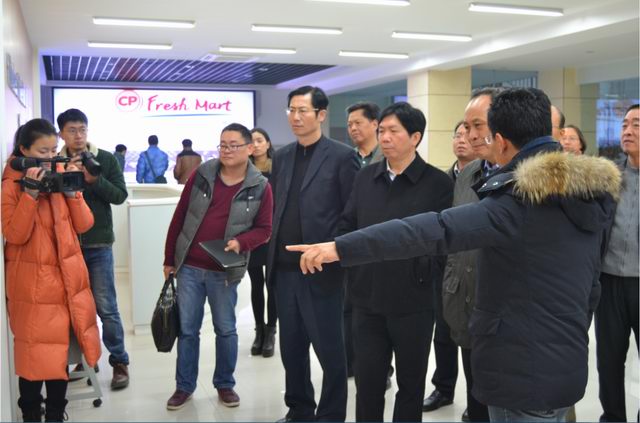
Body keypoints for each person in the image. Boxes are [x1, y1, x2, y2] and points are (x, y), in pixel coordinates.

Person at [288, 87, 621, 423]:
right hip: (565, 364)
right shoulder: (587, 193)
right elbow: (592, 286)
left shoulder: (517, 202)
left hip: (521, 373)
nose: (474, 137)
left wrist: (340, 247)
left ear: (501, 141)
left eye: (481, 129)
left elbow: (431, 230)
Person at [338, 101, 453, 422]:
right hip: (366, 300)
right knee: (368, 384)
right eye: (381, 131)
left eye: (393, 131)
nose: (385, 137)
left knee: (410, 385)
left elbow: (444, 241)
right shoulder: (365, 178)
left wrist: (422, 272)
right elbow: (347, 225)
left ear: (415, 137)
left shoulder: (437, 183)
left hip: (413, 302)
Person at [163, 123, 273, 410]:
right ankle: (184, 386)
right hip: (189, 266)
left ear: (249, 148)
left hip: (224, 270)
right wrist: (169, 259)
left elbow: (264, 230)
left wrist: (241, 242)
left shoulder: (260, 186)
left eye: (234, 145)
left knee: (225, 329)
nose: (226, 150)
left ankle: (225, 384)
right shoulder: (203, 173)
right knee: (188, 330)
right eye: (223, 144)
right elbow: (180, 216)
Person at [267, 85, 359, 422]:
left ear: (321, 114)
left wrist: (333, 250)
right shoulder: (282, 156)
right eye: (291, 110)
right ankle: (299, 409)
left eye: (302, 110)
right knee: (291, 349)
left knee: (330, 351)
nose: (295, 117)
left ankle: (331, 415)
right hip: (284, 270)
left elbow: (352, 213)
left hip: (321, 269)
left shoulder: (342, 157)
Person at [2, 119, 101, 422]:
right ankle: (31, 415)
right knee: (33, 359)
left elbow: (85, 224)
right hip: (32, 286)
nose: (49, 157)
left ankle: (57, 414)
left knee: (61, 357)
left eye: (52, 150)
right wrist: (30, 195)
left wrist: (72, 193)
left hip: (66, 282)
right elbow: (15, 234)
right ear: (23, 150)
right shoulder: (11, 184)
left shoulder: (59, 173)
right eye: (42, 151)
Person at [57, 108, 131, 390]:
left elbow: (120, 195)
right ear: (61, 133)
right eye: (72, 130)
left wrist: (93, 180)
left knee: (106, 306)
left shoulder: (105, 159)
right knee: (75, 308)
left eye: (82, 129)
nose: (78, 135)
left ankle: (119, 361)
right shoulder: (56, 161)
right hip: (67, 246)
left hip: (98, 243)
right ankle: (87, 359)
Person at [423, 121, 474, 415]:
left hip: (471, 264)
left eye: (468, 135)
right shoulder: (442, 180)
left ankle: (475, 398)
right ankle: (443, 388)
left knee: (469, 334)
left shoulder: (482, 179)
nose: (461, 140)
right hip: (442, 264)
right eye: (457, 135)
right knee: (442, 331)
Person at [595, 103, 639, 423]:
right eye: (624, 125)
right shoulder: (609, 176)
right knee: (608, 359)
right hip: (609, 281)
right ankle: (612, 417)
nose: (628, 131)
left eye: (637, 125)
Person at [247, 127, 277, 358]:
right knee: (256, 283)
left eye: (259, 140)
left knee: (272, 283)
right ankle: (259, 330)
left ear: (267, 143)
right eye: (252, 141)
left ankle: (271, 330)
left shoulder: (278, 168)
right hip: (251, 232)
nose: (256, 145)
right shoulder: (244, 169)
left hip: (274, 231)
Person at [347, 101, 383, 167]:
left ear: (375, 124)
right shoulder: (347, 157)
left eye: (358, 123)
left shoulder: (389, 155)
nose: (353, 128)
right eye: (349, 125)